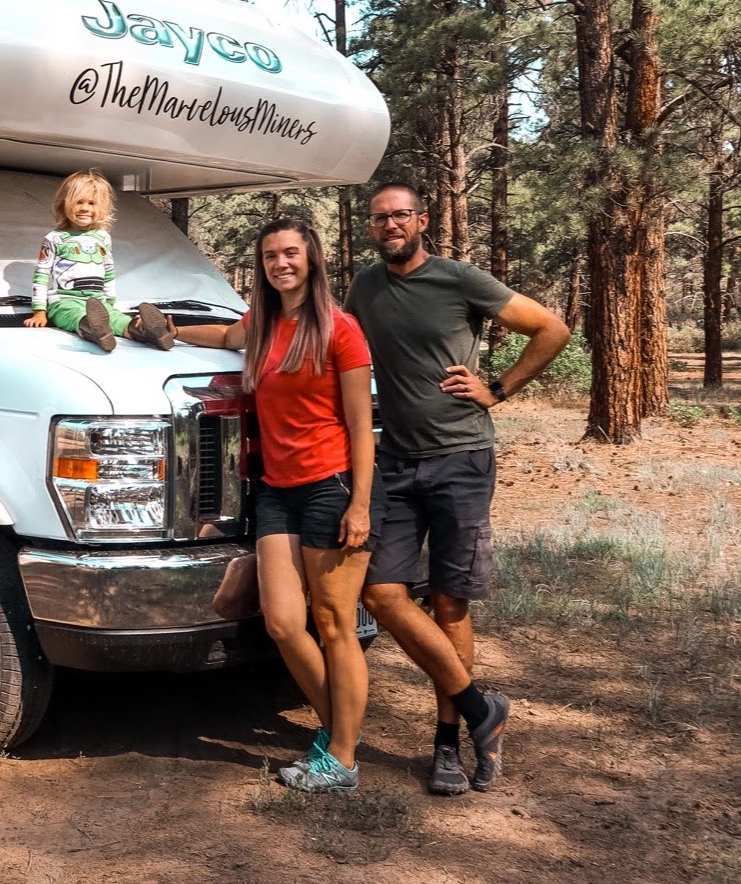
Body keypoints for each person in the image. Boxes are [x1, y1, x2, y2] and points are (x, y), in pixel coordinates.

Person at [344, 183, 570, 796]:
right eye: (379, 217)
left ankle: (447, 744)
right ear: (372, 227)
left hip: (460, 460)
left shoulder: (460, 279)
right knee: (380, 592)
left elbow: (551, 328)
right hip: (394, 462)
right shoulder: (363, 288)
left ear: (421, 220)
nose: (390, 224)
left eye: (400, 215)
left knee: (449, 604)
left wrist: (498, 388)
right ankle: (480, 709)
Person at [181, 218, 380, 793]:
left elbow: (362, 428)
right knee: (284, 623)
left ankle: (340, 758)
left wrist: (360, 505)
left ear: (311, 258)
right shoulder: (263, 325)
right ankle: (339, 735)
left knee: (335, 624)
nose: (280, 264)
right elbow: (222, 339)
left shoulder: (341, 330)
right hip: (277, 490)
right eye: (270, 256)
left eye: (290, 253)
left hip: (331, 486)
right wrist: (163, 329)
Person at [24, 169, 176, 352]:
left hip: (98, 302)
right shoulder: (55, 238)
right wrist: (39, 311)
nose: (85, 208)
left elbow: (109, 272)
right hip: (64, 301)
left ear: (102, 208)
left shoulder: (103, 238)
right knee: (73, 316)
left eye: (92, 203)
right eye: (78, 202)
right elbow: (41, 275)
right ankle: (94, 329)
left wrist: (110, 303)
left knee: (119, 319)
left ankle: (147, 332)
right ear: (64, 203)